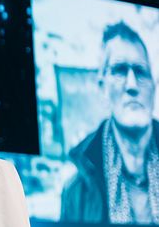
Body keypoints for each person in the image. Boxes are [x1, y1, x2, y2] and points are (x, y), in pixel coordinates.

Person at [61, 21, 159, 224]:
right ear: (102, 87)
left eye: (140, 72)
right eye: (119, 70)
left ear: (153, 87)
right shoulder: (76, 191)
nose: (132, 85)